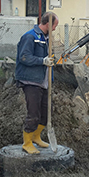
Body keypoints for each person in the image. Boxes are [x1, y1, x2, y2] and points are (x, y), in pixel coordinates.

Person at [15, 12, 58, 154]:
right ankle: (27, 143)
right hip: (31, 81)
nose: (55, 29)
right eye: (55, 26)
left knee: (46, 114)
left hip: (43, 82)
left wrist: (50, 59)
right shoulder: (30, 36)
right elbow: (24, 57)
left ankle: (36, 137)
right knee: (33, 114)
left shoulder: (45, 38)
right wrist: (42, 61)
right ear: (48, 24)